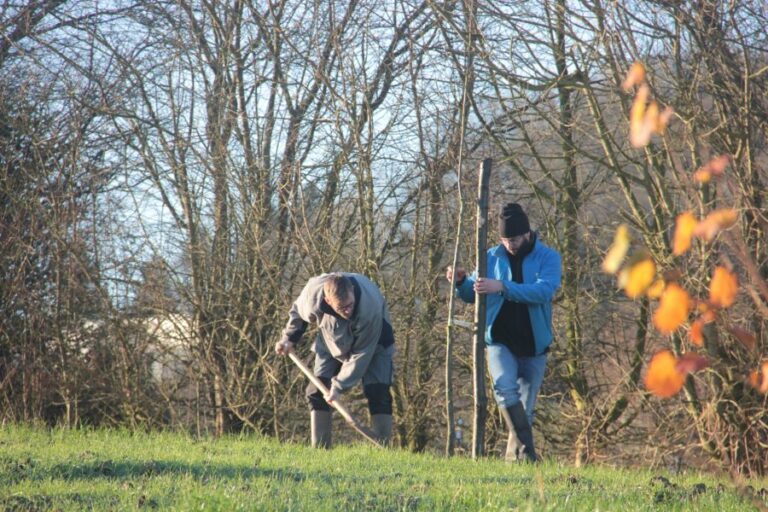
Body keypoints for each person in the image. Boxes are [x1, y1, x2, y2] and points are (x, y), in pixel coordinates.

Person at [446, 203, 561, 462]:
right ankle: (529, 455)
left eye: (515, 239)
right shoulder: (490, 257)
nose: (510, 245)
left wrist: (502, 287)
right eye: (505, 240)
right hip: (499, 340)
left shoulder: (548, 258)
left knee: (525, 411)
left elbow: (543, 291)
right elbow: (474, 293)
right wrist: (462, 282)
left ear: (527, 233)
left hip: (534, 346)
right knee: (504, 389)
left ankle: (515, 464)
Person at [275, 272, 395, 448]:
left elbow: (361, 355)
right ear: (328, 301)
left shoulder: (370, 309)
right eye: (342, 308)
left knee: (378, 390)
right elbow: (298, 313)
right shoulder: (313, 296)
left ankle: (383, 447)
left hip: (375, 343)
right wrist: (289, 338)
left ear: (352, 291)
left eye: (350, 305)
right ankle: (321, 449)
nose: (347, 310)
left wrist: (338, 386)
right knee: (317, 390)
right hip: (331, 340)